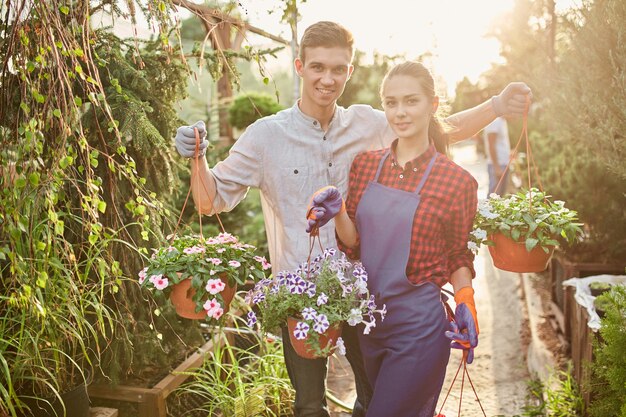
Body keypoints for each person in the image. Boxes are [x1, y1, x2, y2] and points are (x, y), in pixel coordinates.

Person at [174, 21, 530, 417]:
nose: (327, 79)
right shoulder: (265, 138)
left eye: (338, 69)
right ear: (300, 66)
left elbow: (436, 126)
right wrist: (197, 155)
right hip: (303, 297)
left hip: (367, 296)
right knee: (309, 406)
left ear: (350, 72)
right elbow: (211, 200)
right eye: (318, 67)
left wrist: (495, 105)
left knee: (373, 401)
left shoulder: (368, 123)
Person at [308, 61, 479, 416]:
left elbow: (457, 255)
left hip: (419, 327)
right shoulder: (366, 165)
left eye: (411, 101)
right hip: (369, 324)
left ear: (432, 105)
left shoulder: (456, 182)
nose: (400, 113)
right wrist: (339, 211)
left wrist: (465, 299)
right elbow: (352, 243)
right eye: (390, 102)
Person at [483, 115, 511, 195]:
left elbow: (501, 143)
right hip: (497, 165)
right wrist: (496, 167)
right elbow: (491, 145)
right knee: (494, 195)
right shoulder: (494, 120)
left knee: (500, 196)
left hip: (504, 163)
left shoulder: (502, 120)